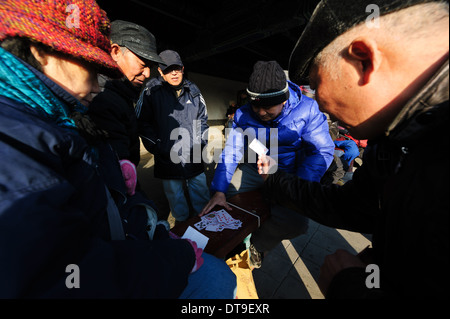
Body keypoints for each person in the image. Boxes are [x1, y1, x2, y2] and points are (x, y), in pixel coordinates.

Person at [0, 0, 235, 298]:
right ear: (40, 51)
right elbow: (73, 277)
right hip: (152, 202)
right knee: (218, 278)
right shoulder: (16, 143)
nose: (98, 86)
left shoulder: (48, 118)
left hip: (175, 179)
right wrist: (175, 256)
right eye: (92, 65)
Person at [258, 0, 449, 298]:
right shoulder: (392, 140)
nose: (318, 103)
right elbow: (354, 206)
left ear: (363, 60)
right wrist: (277, 181)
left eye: (316, 83)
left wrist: (349, 288)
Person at [201, 60, 335, 267]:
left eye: (268, 107)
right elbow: (231, 151)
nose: (261, 113)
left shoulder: (308, 110)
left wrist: (297, 188)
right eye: (256, 106)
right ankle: (226, 241)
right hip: (256, 166)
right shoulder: (243, 114)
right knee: (223, 194)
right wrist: (218, 189)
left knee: (296, 223)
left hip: (291, 172)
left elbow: (320, 152)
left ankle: (258, 244)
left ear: (284, 99)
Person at [88, 20, 165, 196]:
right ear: (115, 51)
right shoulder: (103, 99)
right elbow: (118, 177)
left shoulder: (120, 94)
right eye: (143, 64)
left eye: (150, 68)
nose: (147, 74)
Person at [136, 50, 210, 222]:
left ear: (183, 69)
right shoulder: (150, 91)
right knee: (175, 198)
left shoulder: (194, 90)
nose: (174, 73)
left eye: (177, 68)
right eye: (168, 69)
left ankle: (207, 224)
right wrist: (158, 147)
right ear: (161, 72)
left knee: (201, 193)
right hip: (167, 156)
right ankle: (183, 227)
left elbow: (203, 120)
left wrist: (200, 145)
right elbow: (141, 121)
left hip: (194, 156)